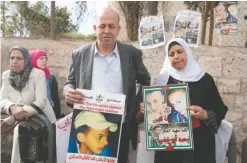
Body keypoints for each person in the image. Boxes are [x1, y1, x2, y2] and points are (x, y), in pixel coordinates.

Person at [63, 7, 151, 163]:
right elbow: (70, 83)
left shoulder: (132, 54)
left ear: (118, 29)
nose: (107, 30)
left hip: (121, 128)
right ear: (95, 28)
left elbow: (145, 80)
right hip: (89, 131)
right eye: (102, 26)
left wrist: (139, 104)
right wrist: (68, 92)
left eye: (111, 26)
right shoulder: (79, 55)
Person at [140, 38, 227, 163]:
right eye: (171, 54)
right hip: (169, 146)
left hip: (199, 144)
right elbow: (155, 113)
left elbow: (220, 110)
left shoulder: (205, 80)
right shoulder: (163, 81)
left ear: (188, 53)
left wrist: (206, 114)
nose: (176, 56)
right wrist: (147, 109)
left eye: (180, 52)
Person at [0, 46, 56, 163]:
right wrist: (12, 107)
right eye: (12, 58)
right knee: (20, 155)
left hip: (42, 122)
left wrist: (15, 116)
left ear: (26, 60)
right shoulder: (6, 75)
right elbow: (3, 99)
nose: (15, 61)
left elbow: (41, 101)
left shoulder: (38, 74)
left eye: (19, 58)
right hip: (21, 124)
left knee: (39, 156)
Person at [30, 49, 63, 119]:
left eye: (45, 58)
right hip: (32, 112)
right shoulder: (28, 77)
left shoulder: (50, 78)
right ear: (33, 59)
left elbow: (55, 98)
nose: (44, 60)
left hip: (49, 112)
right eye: (41, 58)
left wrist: (57, 116)